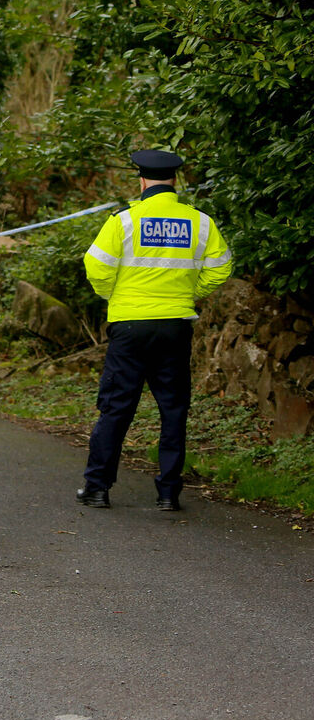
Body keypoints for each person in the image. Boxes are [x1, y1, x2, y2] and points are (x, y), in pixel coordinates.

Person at [75, 149, 232, 511]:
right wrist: (189, 293)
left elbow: (96, 266)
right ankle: (168, 494)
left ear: (141, 181)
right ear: (175, 181)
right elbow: (221, 267)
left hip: (129, 325)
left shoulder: (124, 220)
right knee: (173, 409)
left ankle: (97, 488)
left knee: (115, 408)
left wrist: (113, 295)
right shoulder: (200, 222)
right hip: (175, 326)